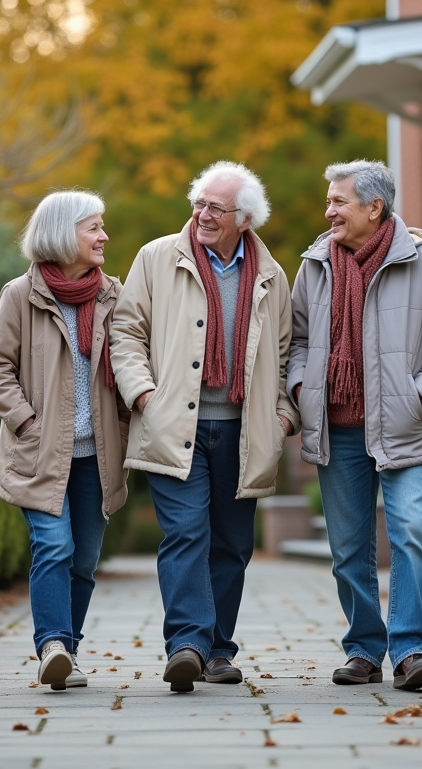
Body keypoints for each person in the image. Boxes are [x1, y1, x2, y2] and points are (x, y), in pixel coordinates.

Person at [287, 160, 422, 691]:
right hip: (338, 428)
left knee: (411, 533)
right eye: (329, 202)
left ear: (375, 207)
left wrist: (420, 397)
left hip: (406, 426)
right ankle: (365, 649)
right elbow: (297, 342)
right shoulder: (315, 264)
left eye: (339, 202)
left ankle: (411, 649)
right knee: (349, 549)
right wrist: (303, 390)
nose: (329, 212)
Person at [111, 161, 299, 692]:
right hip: (174, 425)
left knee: (233, 544)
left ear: (245, 218)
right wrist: (143, 393)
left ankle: (218, 650)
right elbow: (125, 332)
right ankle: (187, 645)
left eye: (215, 208)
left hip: (243, 430)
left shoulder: (270, 275)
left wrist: (283, 414)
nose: (202, 215)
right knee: (186, 533)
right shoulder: (157, 258)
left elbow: (285, 355)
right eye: (198, 203)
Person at [0, 190, 128, 691]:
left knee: (83, 559)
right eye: (94, 228)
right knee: (54, 545)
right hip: (40, 451)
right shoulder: (20, 295)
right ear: (64, 234)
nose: (104, 237)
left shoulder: (113, 294)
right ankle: (53, 646)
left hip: (97, 456)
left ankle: (69, 652)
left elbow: (131, 360)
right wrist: (27, 422)